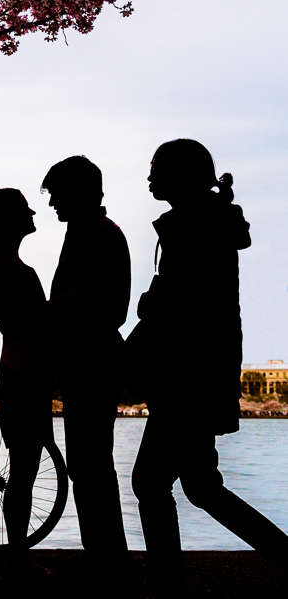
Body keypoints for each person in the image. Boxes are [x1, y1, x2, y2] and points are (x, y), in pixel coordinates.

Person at [130, 139, 288, 596]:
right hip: (202, 371)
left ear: (181, 174)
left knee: (150, 483)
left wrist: (147, 309)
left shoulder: (192, 227)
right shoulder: (206, 223)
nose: (150, 175)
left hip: (187, 376)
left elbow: (182, 304)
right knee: (201, 486)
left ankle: (165, 589)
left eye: (157, 166)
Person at [42, 156, 131, 571]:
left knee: (90, 465)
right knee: (91, 465)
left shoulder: (94, 234)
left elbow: (97, 290)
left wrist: (47, 311)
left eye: (57, 194)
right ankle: (106, 557)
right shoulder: (94, 231)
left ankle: (107, 561)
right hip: (92, 359)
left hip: (91, 361)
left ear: (79, 192)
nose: (52, 204)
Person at [0, 189, 53, 566]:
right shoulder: (8, 265)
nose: (33, 212)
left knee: (24, 468)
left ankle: (17, 553)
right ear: (8, 220)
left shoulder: (2, 263)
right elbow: (38, 319)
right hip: (24, 374)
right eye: (24, 209)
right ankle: (17, 556)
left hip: (19, 370)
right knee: (23, 470)